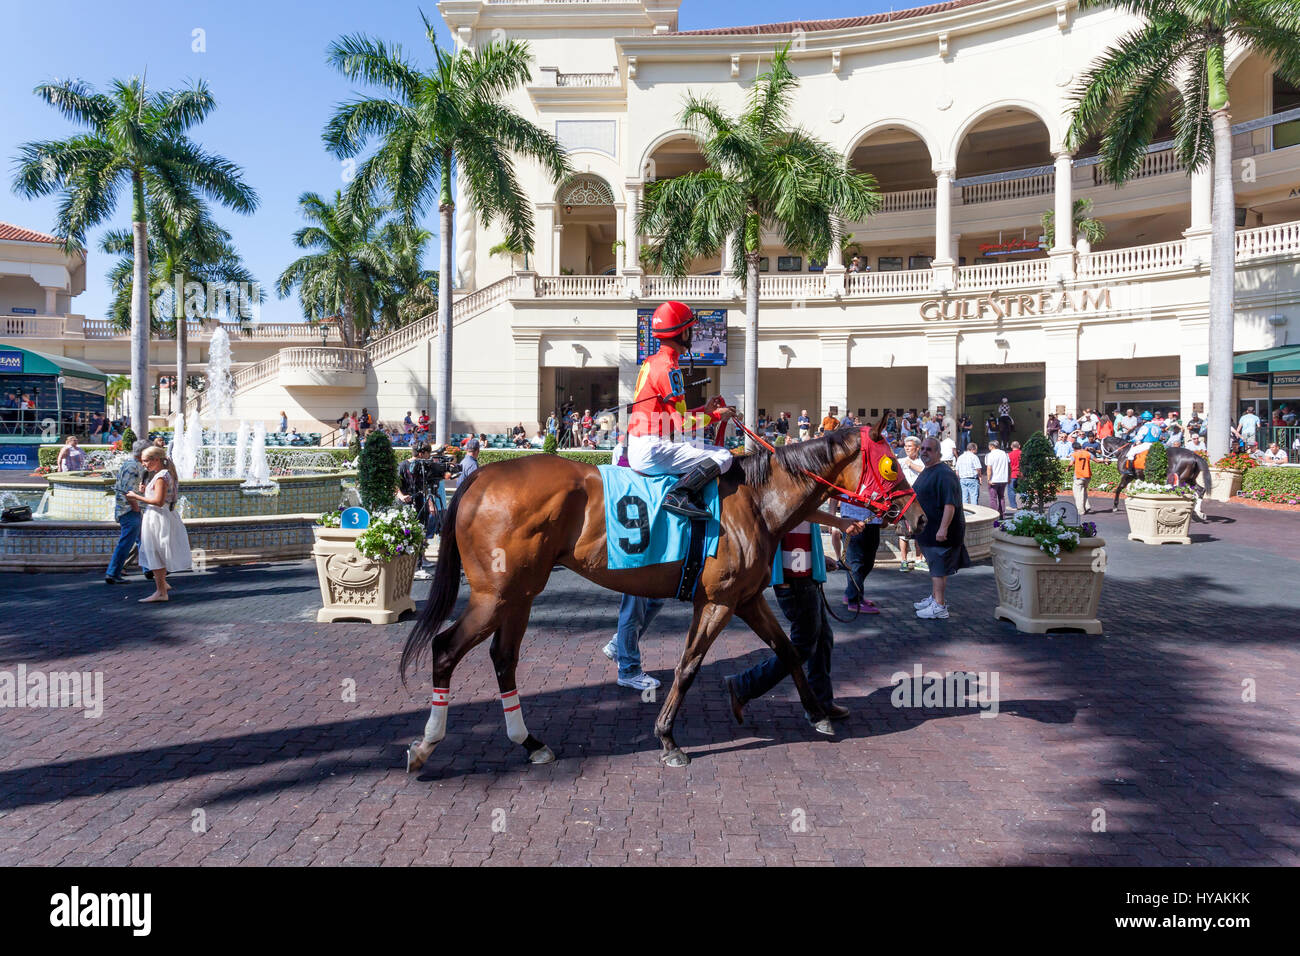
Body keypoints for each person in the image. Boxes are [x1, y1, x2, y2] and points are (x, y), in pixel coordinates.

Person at [723, 507, 868, 730]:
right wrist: (839, 522)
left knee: (822, 640)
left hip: (803, 574)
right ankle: (744, 685)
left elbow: (802, 525)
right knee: (804, 646)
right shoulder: (789, 481)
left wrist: (820, 558)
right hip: (792, 579)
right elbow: (798, 511)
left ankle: (822, 701)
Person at [626, 301, 735, 520]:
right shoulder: (670, 369)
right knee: (724, 457)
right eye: (691, 329)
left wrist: (704, 409)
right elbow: (681, 425)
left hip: (643, 444)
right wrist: (715, 417)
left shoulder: (652, 361)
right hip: (653, 450)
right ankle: (678, 494)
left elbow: (671, 415)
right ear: (684, 333)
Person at [912, 437, 970, 619]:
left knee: (938, 569)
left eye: (929, 449)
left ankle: (939, 606)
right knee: (935, 567)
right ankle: (935, 597)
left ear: (938, 452)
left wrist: (943, 529)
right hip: (928, 531)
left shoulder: (944, 474)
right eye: (922, 449)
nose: (924, 452)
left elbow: (950, 504)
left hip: (940, 532)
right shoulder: (928, 471)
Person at [126, 446, 191, 603]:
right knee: (156, 552)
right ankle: (162, 586)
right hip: (161, 516)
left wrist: (136, 497)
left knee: (154, 552)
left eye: (146, 461)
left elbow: (158, 501)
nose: (144, 465)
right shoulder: (164, 474)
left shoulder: (161, 476)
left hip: (158, 517)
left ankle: (161, 592)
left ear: (156, 460)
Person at [398, 442, 453, 581]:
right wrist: (402, 496)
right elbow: (395, 484)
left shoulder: (424, 466)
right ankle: (415, 567)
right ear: (421, 453)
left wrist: (429, 504)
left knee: (421, 532)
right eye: (428, 453)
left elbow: (426, 487)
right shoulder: (403, 466)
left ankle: (420, 561)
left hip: (420, 503)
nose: (429, 456)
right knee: (411, 534)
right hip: (408, 505)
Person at [105, 439, 153, 585]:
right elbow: (128, 491)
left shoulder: (132, 464)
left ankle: (149, 569)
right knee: (127, 541)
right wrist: (136, 508)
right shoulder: (132, 466)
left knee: (142, 539)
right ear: (143, 453)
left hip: (129, 509)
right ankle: (113, 573)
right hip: (129, 510)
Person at [835, 492, 882, 613]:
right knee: (856, 562)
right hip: (852, 518)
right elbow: (834, 492)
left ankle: (852, 593)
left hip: (873, 519)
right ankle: (854, 600)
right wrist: (833, 516)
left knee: (867, 562)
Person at [897, 436, 927, 573]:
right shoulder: (900, 462)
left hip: (919, 502)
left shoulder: (923, 462)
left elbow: (926, 472)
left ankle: (919, 559)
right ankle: (903, 560)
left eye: (910, 446)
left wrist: (911, 464)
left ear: (917, 448)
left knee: (919, 530)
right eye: (905, 446)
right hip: (904, 503)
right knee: (903, 532)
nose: (907, 448)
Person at [985, 439, 1010, 517]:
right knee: (1001, 497)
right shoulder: (1005, 454)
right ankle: (1002, 513)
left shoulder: (990, 455)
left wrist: (988, 479)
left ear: (992, 446)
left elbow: (989, 468)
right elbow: (1009, 466)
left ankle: (994, 516)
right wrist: (1008, 477)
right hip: (1003, 479)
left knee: (993, 498)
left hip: (994, 479)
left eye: (989, 446)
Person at [1071, 441, 1094, 514]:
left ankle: (1081, 511)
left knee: (1078, 494)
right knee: (1083, 491)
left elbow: (1070, 464)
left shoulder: (1074, 454)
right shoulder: (1088, 453)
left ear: (1074, 448)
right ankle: (1087, 506)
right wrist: (1105, 461)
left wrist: (1067, 468)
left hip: (1078, 477)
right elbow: (1097, 461)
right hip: (1087, 476)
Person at [1007, 440, 1022, 510]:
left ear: (1011, 446)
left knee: (1011, 490)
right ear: (1019, 446)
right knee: (1023, 490)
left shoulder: (1009, 455)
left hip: (1012, 474)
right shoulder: (1022, 454)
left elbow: (1007, 466)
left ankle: (1013, 506)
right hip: (1021, 474)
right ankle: (1028, 504)